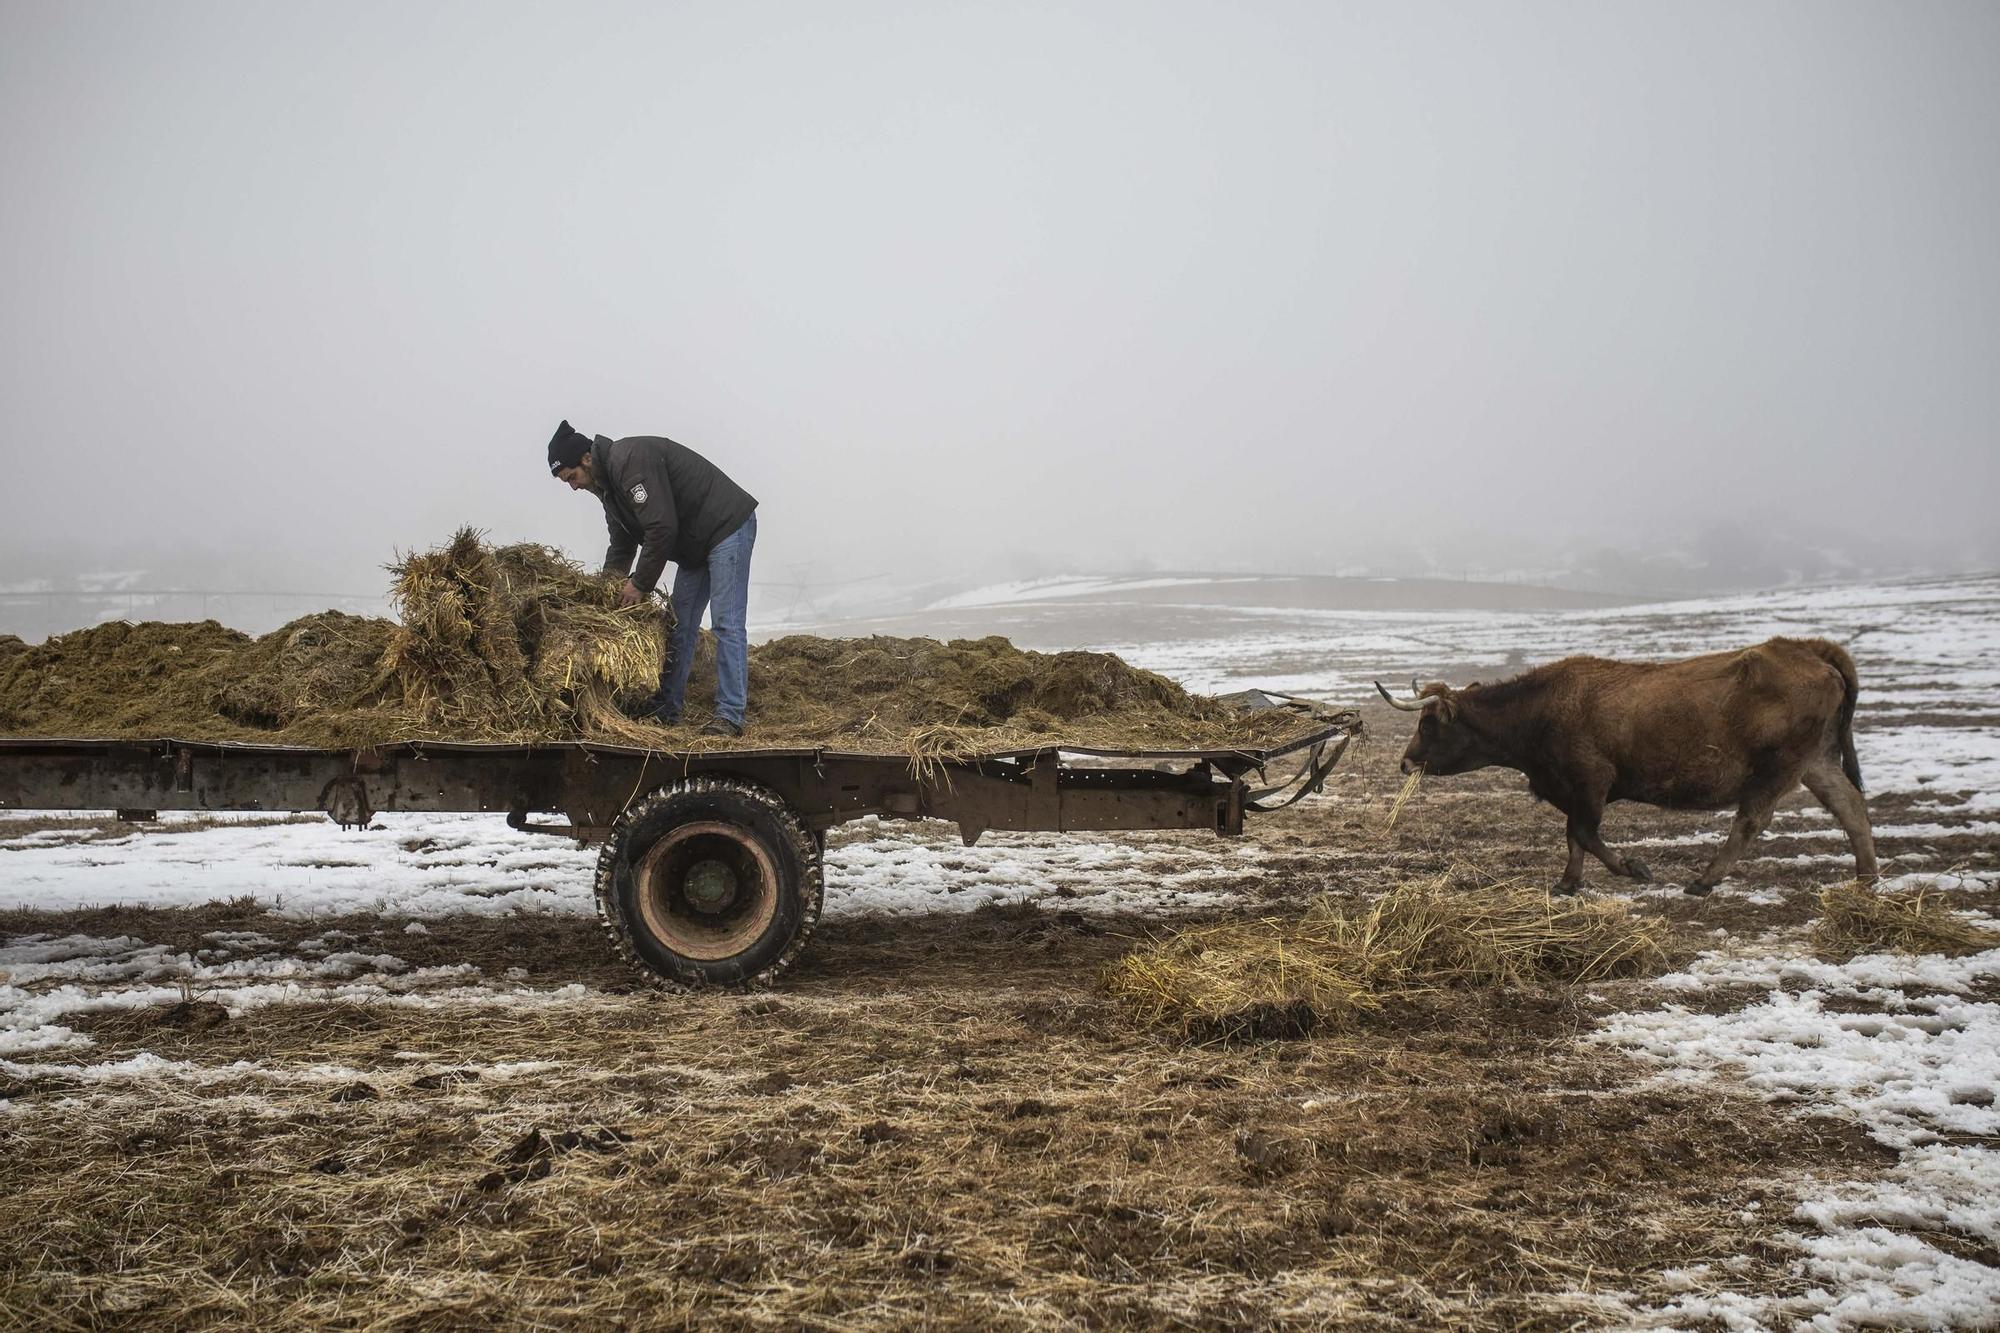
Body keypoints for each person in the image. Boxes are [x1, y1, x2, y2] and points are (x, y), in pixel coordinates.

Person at [547, 420, 758, 737]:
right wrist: (606, 592)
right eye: (567, 482)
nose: (574, 486)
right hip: (694, 546)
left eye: (572, 477)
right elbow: (621, 545)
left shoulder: (629, 460)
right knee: (680, 625)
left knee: (725, 621)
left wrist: (640, 585)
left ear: (586, 459)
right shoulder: (608, 491)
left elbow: (661, 528)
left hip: (726, 526)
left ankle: (730, 715)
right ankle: (667, 708)